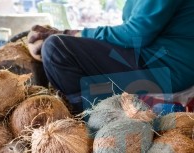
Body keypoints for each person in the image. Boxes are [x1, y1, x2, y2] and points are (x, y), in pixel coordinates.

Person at [28, 0, 194, 114]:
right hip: (154, 60)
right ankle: (102, 110)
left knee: (56, 49)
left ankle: (92, 120)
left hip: (169, 69)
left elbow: (136, 33)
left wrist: (71, 35)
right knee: (61, 47)